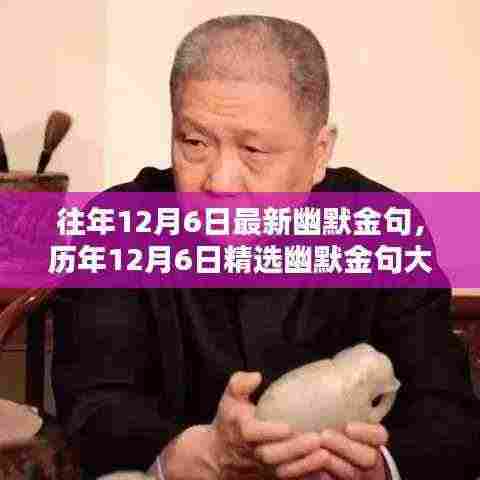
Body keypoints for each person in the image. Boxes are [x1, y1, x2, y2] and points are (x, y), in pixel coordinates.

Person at [51, 15, 480, 480]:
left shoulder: (380, 227)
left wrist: (375, 468)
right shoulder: (119, 224)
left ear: (319, 152)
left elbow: (449, 417)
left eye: (253, 151)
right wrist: (185, 454)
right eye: (194, 142)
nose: (220, 182)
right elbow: (93, 407)